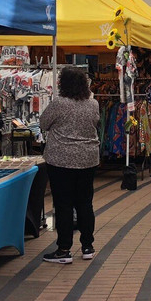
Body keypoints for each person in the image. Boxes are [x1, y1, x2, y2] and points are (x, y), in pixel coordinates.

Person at [40, 66, 101, 263]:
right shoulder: (93, 104)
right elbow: (95, 123)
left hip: (61, 160)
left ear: (63, 83)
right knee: (85, 202)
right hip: (87, 159)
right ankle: (87, 246)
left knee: (63, 204)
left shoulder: (59, 103)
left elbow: (43, 123)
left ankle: (64, 249)